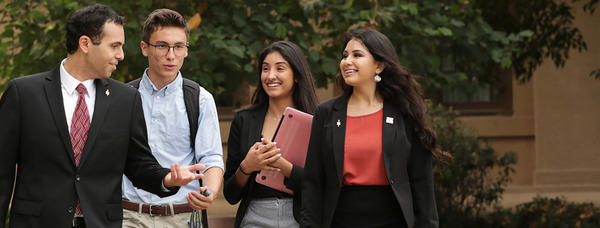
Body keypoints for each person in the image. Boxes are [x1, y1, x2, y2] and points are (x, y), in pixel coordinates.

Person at [0, 4, 204, 228]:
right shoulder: (23, 93)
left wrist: (167, 179)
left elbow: (138, 164)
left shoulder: (126, 99)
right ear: (85, 43)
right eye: (115, 46)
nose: (121, 55)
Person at [300, 29, 440, 228]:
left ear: (379, 66)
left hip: (393, 220)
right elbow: (313, 183)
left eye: (357, 55)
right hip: (340, 220)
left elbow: (422, 184)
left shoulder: (404, 113)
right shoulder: (326, 113)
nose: (347, 61)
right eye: (345, 56)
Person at [121, 8, 224, 227]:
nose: (171, 55)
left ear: (186, 50)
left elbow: (211, 158)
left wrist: (210, 191)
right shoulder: (122, 97)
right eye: (162, 46)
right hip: (129, 216)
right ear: (144, 48)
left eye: (179, 47)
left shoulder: (200, 99)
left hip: (182, 216)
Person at [223, 41, 319, 228]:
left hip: (301, 218)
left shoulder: (317, 121)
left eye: (280, 68)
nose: (270, 75)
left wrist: (283, 166)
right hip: (254, 218)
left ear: (297, 76)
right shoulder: (243, 120)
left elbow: (320, 184)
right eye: (265, 69)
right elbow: (230, 194)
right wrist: (247, 166)